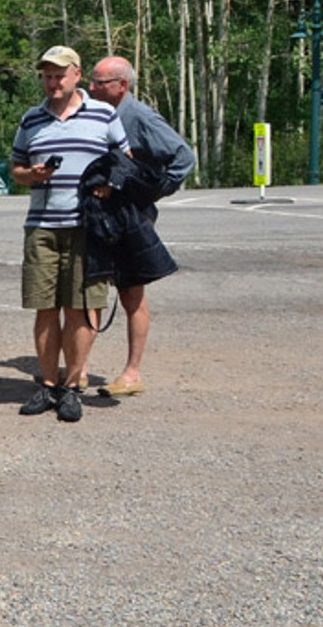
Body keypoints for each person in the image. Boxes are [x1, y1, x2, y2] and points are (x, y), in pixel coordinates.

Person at [10, 45, 128, 422]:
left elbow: (125, 162)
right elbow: (16, 169)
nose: (53, 82)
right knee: (45, 308)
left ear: (77, 74)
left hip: (86, 227)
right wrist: (32, 175)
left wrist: (109, 185)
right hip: (42, 226)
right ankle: (48, 385)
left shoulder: (103, 114)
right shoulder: (31, 119)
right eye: (47, 76)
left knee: (80, 309)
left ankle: (73, 387)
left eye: (59, 75)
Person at [85, 55, 196, 397]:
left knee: (131, 294)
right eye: (91, 80)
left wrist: (145, 193)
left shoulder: (140, 116)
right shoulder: (95, 113)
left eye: (99, 82)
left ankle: (132, 374)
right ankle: (80, 369)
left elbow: (183, 157)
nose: (91, 87)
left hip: (130, 218)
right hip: (98, 215)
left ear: (122, 85)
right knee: (90, 290)